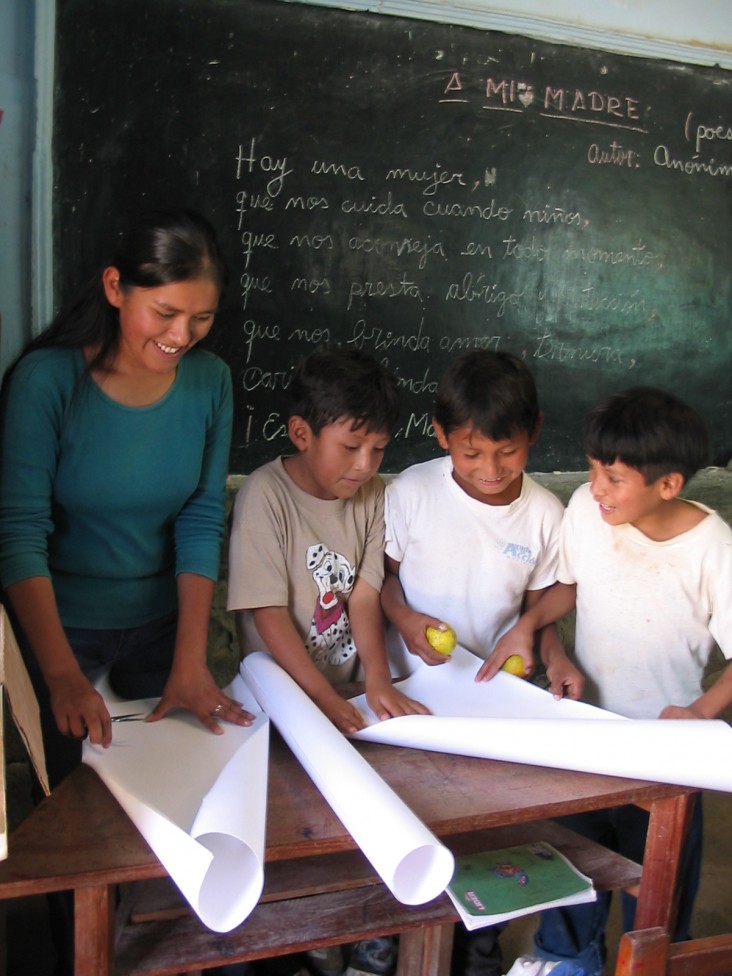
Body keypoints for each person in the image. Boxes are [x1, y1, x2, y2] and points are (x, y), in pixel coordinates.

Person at [0, 207, 254, 798]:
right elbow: (17, 537)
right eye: (164, 313)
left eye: (201, 319)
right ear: (116, 288)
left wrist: (190, 661)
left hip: (162, 627)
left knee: (173, 791)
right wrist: (61, 675)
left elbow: (198, 519)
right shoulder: (47, 382)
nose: (180, 336)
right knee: (71, 808)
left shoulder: (210, 381)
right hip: (59, 631)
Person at [482, 385, 732, 976]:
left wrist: (702, 713)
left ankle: (657, 961)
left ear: (668, 485)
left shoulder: (713, 548)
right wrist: (535, 630)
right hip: (585, 731)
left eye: (614, 478)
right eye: (594, 470)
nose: (595, 488)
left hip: (662, 753)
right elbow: (566, 586)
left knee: (658, 881)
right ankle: (566, 959)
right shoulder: (586, 514)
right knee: (568, 858)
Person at [380, 350, 583, 976]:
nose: (490, 470)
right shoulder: (411, 492)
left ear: (535, 433)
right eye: (471, 453)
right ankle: (386, 935)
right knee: (402, 814)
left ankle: (481, 936)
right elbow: (378, 584)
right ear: (441, 436)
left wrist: (542, 642)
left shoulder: (548, 514)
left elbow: (546, 602)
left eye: (507, 452)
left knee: (490, 825)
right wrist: (406, 619)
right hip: (409, 693)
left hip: (491, 702)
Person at [228, 348, 429, 976]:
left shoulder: (372, 495)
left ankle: (368, 929)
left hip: (348, 694)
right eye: (351, 447)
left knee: (367, 815)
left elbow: (366, 594)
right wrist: (323, 699)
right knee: (298, 830)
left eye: (379, 449)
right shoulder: (265, 495)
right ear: (301, 432)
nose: (366, 465)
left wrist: (374, 680)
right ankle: (300, 938)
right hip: (283, 702)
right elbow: (267, 616)